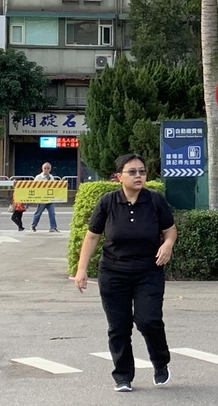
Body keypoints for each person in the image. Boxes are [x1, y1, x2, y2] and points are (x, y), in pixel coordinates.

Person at [74, 154, 177, 393]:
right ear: (119, 176)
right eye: (132, 172)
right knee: (118, 326)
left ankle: (160, 362)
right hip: (113, 272)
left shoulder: (155, 201)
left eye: (142, 171)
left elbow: (170, 230)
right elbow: (92, 236)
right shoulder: (108, 202)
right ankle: (123, 376)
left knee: (149, 320)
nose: (139, 176)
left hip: (148, 271)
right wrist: (81, 270)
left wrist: (167, 244)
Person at [30, 162, 59, 232]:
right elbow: (34, 187)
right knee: (38, 213)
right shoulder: (38, 177)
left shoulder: (51, 177)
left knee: (52, 213)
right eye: (45, 168)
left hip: (50, 199)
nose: (46, 170)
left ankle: (53, 227)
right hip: (42, 199)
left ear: (50, 169)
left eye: (48, 168)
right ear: (42, 169)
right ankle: (33, 226)